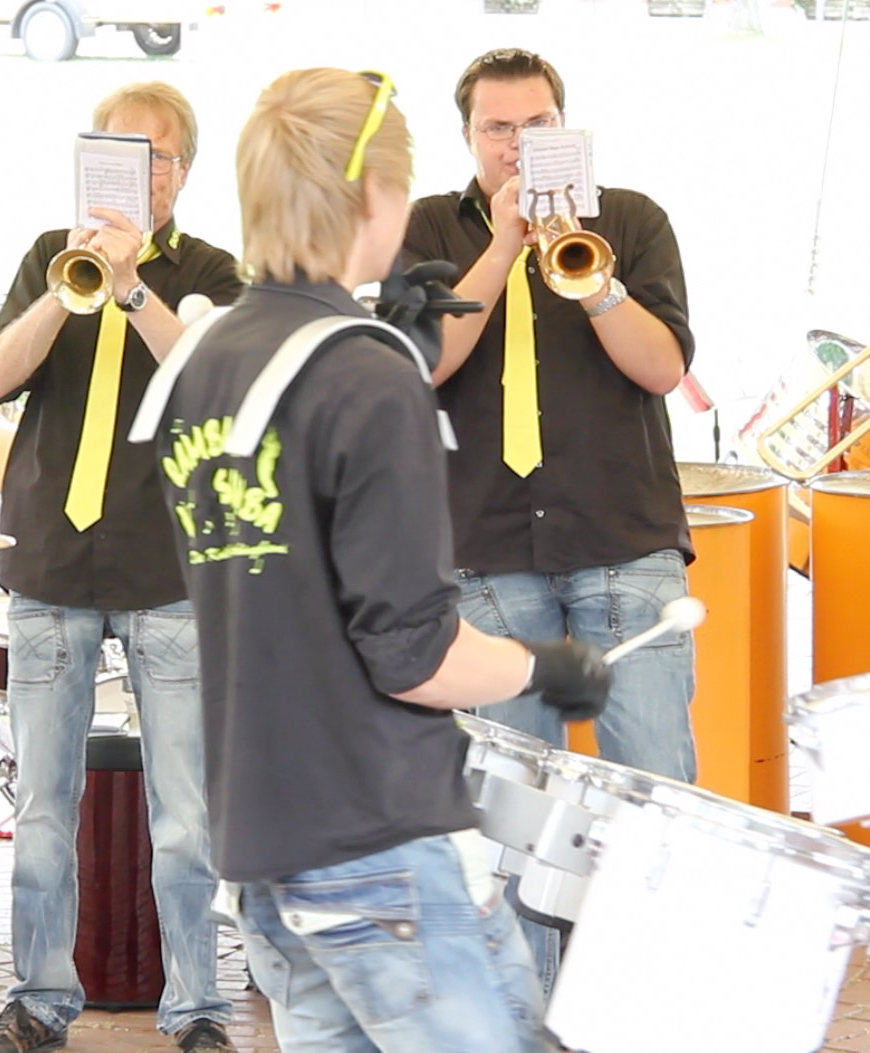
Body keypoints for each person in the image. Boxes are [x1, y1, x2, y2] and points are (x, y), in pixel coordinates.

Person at [140, 66, 612, 1053]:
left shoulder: (205, 357)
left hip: (261, 836)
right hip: (378, 837)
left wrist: (385, 336)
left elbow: (282, 565)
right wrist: (543, 666)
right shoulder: (363, 373)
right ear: (375, 195)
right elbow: (416, 657)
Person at [399, 46, 698, 986]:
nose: (517, 145)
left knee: (653, 789)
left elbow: (663, 368)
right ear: (468, 137)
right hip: (487, 551)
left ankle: (640, 1005)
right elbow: (422, 364)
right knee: (510, 815)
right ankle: (524, 1014)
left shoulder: (633, 220)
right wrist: (501, 246)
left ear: (566, 127)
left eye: (537, 126)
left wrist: (590, 275)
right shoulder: (429, 226)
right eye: (498, 128)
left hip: (622, 543)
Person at [0, 81, 243, 1053]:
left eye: (149, 157)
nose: (130, 174)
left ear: (181, 172)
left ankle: (197, 1009)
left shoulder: (211, 271)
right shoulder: (51, 254)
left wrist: (131, 286)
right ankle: (39, 1000)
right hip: (52, 561)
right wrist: (68, 283)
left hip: (168, 570)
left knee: (187, 818)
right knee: (42, 809)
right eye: (111, 154)